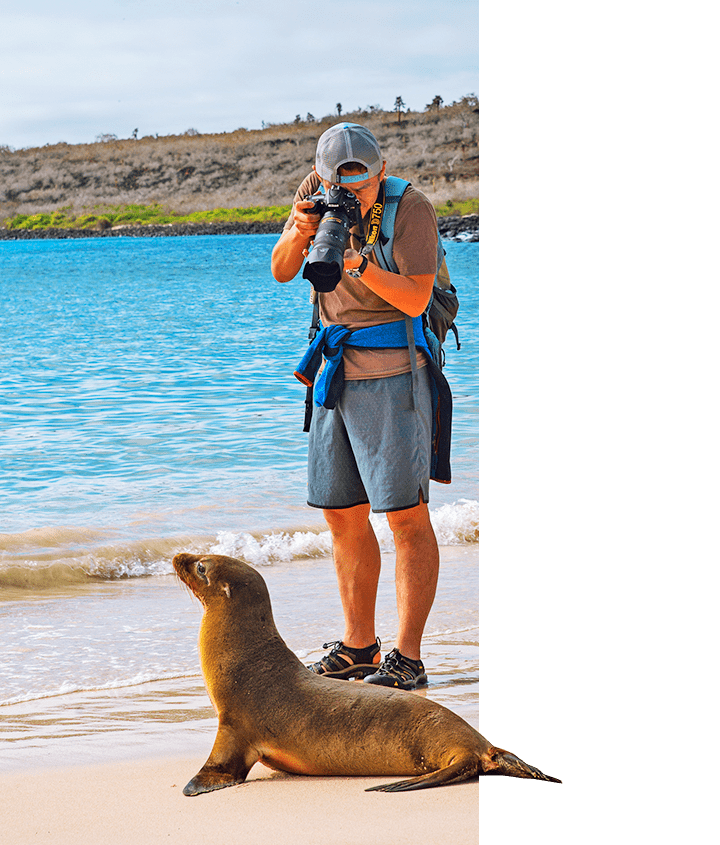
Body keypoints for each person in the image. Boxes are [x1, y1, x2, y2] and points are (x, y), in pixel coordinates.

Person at [271, 123, 448, 691]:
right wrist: (301, 234)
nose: (354, 195)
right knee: (342, 513)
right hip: (333, 371)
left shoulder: (410, 207)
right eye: (340, 183)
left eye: (364, 185)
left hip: (397, 373)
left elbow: (417, 297)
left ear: (380, 170)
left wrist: (357, 262)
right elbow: (280, 269)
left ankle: (408, 658)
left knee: (404, 515)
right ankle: (359, 647)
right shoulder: (312, 192)